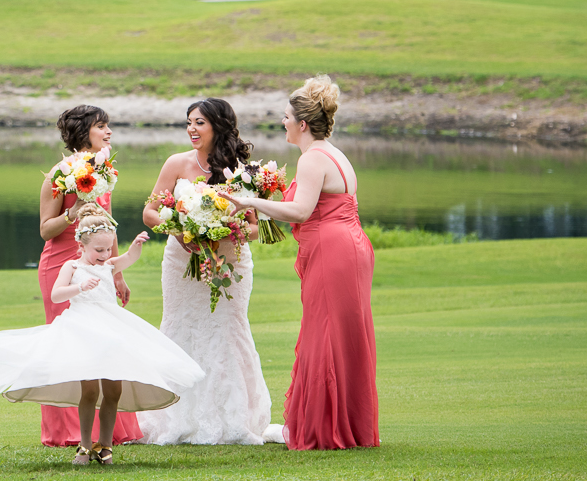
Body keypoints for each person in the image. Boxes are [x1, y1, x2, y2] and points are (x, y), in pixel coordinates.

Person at [0, 206, 205, 466]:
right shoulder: (72, 266)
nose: (104, 255)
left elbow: (128, 259)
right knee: (89, 391)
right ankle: (84, 445)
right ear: (81, 244)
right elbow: (56, 295)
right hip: (84, 330)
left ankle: (106, 445)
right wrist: (79, 287)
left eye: (108, 249)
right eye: (98, 250)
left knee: (113, 391)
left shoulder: (109, 265)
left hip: (111, 330)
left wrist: (135, 245)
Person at [231, 75, 379, 451]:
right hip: (351, 246)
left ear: (301, 124)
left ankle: (321, 428)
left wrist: (252, 202)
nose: (281, 123)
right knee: (342, 334)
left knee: (325, 333)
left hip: (333, 250)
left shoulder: (314, 158)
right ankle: (345, 424)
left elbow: (299, 211)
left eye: (285, 117)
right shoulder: (334, 153)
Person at [138, 97, 281, 445]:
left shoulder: (243, 172)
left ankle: (234, 418)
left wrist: (225, 234)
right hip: (180, 261)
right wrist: (181, 231)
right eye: (189, 122)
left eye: (199, 122)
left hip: (230, 263)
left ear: (218, 125)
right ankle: (174, 418)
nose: (191, 129)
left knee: (227, 332)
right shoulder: (176, 164)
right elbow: (150, 212)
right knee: (180, 328)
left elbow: (252, 228)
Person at [33, 105, 144, 449]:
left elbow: (107, 228)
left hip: (98, 266)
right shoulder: (59, 174)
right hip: (62, 264)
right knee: (70, 345)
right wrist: (71, 213)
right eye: (101, 126)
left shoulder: (105, 172)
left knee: (105, 341)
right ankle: (68, 432)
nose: (109, 132)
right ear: (84, 132)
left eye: (108, 126)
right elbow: (45, 229)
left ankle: (110, 431)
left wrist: (117, 272)